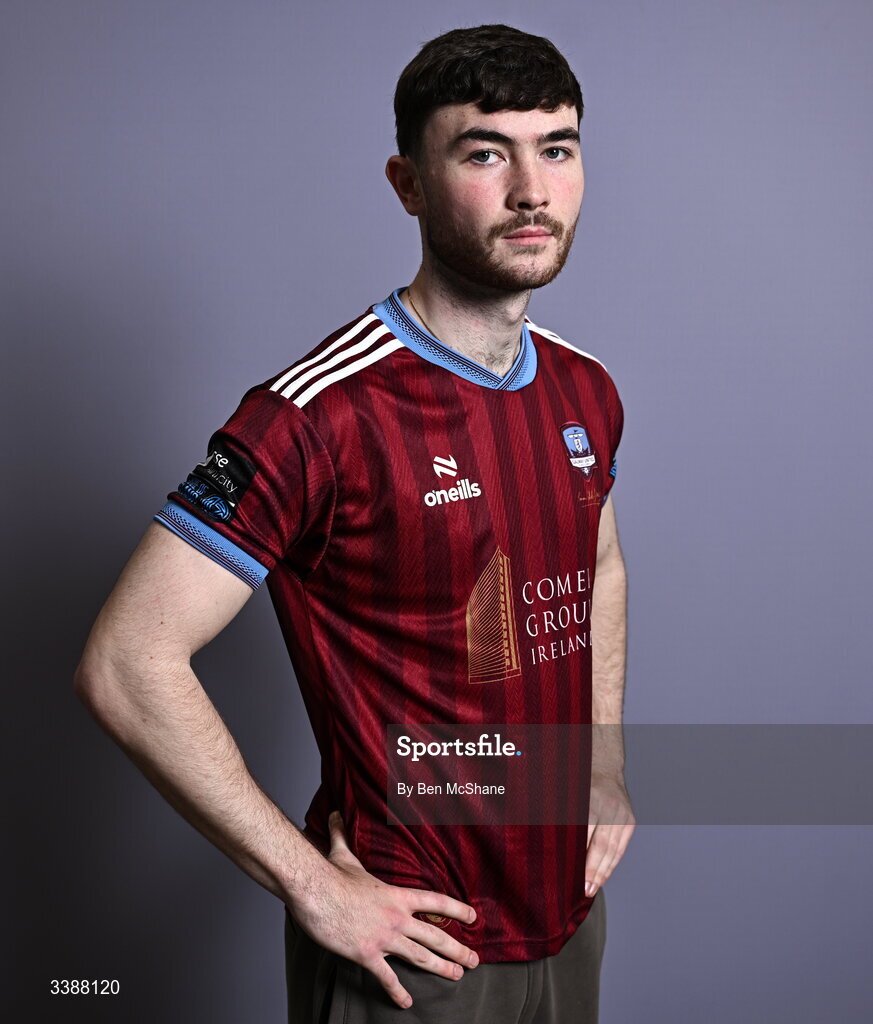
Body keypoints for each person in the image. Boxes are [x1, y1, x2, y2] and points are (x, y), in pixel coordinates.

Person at [74, 22, 635, 1022]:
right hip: (415, 947)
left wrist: (601, 764)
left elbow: (595, 561)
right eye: (483, 152)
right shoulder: (317, 415)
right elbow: (125, 662)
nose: (531, 191)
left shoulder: (584, 388)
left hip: (569, 912)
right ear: (408, 183)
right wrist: (315, 884)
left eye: (556, 147)